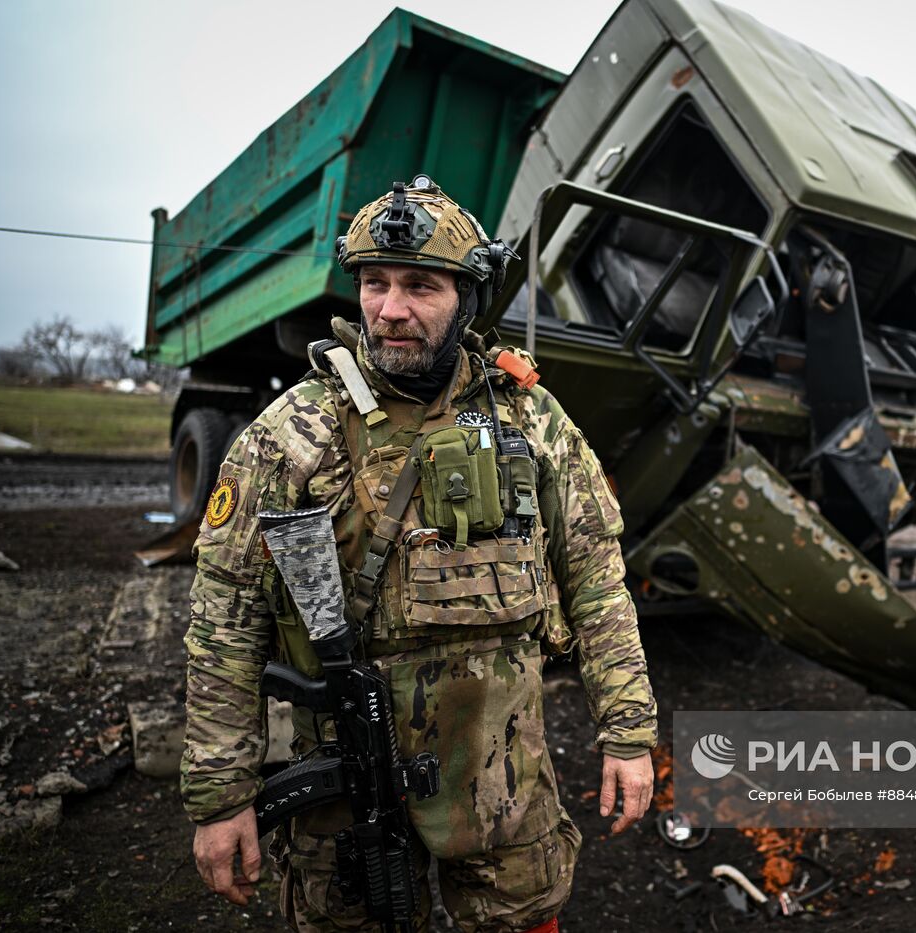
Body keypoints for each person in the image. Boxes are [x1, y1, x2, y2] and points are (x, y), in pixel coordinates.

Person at [181, 176, 658, 932]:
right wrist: (220, 796)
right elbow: (225, 622)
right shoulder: (293, 431)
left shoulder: (531, 417)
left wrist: (628, 733)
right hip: (348, 785)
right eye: (374, 283)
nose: (390, 309)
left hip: (504, 776)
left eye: (420, 286)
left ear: (468, 298)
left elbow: (598, 583)